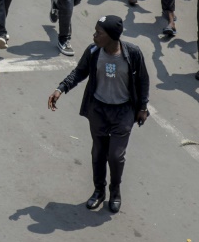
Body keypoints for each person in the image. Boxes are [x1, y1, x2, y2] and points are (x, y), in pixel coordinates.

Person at [49, 15, 150, 214]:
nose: (94, 35)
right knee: (98, 153)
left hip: (123, 111)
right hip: (98, 109)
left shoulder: (132, 54)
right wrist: (61, 89)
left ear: (112, 37)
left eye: (99, 32)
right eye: (95, 31)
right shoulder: (94, 51)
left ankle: (115, 191)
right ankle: (98, 191)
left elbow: (143, 81)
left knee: (115, 155)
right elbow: (79, 73)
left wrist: (143, 107)